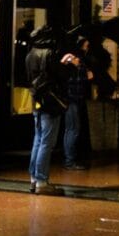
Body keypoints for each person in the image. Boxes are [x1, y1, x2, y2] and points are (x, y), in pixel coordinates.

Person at [26, 24, 69, 196]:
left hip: (36, 100)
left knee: (38, 139)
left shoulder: (30, 54)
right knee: (47, 142)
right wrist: (69, 64)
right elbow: (60, 75)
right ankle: (42, 181)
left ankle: (34, 179)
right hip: (50, 102)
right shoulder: (50, 53)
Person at [63, 35, 93, 170]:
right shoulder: (73, 59)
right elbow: (74, 79)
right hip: (72, 98)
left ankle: (70, 158)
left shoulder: (76, 59)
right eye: (86, 46)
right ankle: (70, 160)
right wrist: (86, 74)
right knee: (73, 129)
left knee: (71, 129)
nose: (87, 49)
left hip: (74, 98)